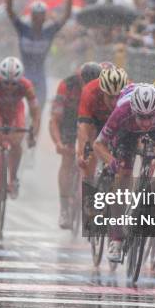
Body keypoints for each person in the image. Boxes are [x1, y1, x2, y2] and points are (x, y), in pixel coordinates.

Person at [93, 83, 155, 261]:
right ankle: (116, 239)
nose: (146, 122)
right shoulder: (122, 110)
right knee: (123, 175)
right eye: (142, 117)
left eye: (150, 117)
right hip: (126, 131)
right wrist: (111, 161)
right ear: (134, 110)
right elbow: (98, 144)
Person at [6, 0, 74, 111]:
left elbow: (66, 16)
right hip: (23, 74)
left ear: (45, 17)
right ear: (31, 16)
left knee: (39, 107)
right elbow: (9, 10)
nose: (37, 18)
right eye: (35, 16)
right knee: (16, 107)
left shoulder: (49, 31)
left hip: (40, 75)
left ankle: (34, 131)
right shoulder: (23, 28)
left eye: (40, 16)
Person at [0, 57, 40, 202]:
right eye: (6, 83)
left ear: (20, 80)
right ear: (0, 78)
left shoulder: (27, 86)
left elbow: (36, 113)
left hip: (15, 111)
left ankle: (14, 179)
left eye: (14, 83)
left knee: (17, 142)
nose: (10, 87)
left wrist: (33, 134)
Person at [49, 62, 102, 229]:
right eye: (86, 82)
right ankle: (64, 208)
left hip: (91, 121)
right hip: (69, 121)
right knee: (67, 159)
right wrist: (58, 143)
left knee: (93, 154)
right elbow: (55, 120)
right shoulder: (67, 85)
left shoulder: (103, 87)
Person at [75, 63, 129, 186]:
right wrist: (82, 153)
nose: (114, 102)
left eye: (118, 97)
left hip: (119, 120)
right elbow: (83, 126)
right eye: (110, 97)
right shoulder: (89, 90)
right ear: (102, 90)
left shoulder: (130, 90)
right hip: (97, 120)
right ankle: (88, 189)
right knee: (91, 150)